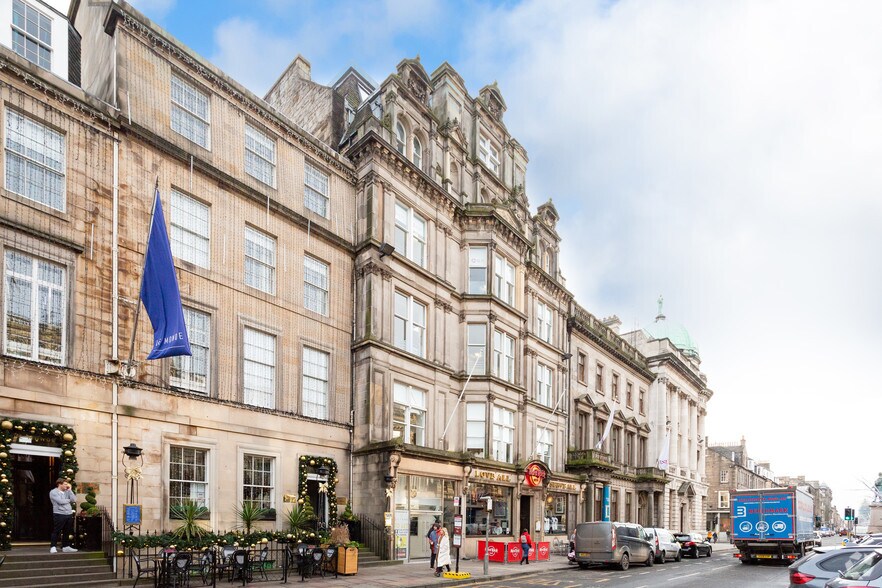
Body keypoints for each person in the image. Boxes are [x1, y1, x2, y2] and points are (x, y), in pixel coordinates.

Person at [49, 478, 78, 554]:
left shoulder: (67, 491)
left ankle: (66, 546)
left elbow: (74, 499)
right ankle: (53, 547)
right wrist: (68, 500)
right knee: (57, 531)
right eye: (65, 484)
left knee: (67, 531)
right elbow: (60, 501)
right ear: (59, 484)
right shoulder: (53, 492)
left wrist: (70, 490)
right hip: (59, 514)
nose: (67, 485)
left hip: (68, 513)